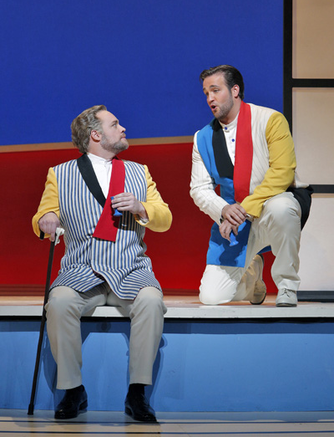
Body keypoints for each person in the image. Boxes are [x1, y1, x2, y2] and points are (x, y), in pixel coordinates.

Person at [32, 105, 172, 422]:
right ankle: (72, 390)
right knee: (59, 302)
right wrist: (47, 219)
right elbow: (41, 216)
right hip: (81, 272)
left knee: (151, 301)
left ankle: (138, 393)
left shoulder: (140, 171)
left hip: (131, 270)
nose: (123, 128)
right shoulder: (60, 173)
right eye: (115, 124)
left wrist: (140, 207)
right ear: (96, 134)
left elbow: (164, 219)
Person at [190, 65, 312, 308]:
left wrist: (244, 209)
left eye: (215, 90)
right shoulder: (202, 137)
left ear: (235, 90)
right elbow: (199, 189)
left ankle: (287, 285)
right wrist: (224, 211)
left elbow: (282, 172)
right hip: (234, 218)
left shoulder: (270, 120)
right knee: (211, 297)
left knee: (282, 208)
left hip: (271, 206)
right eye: (206, 93)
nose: (209, 98)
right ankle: (253, 277)